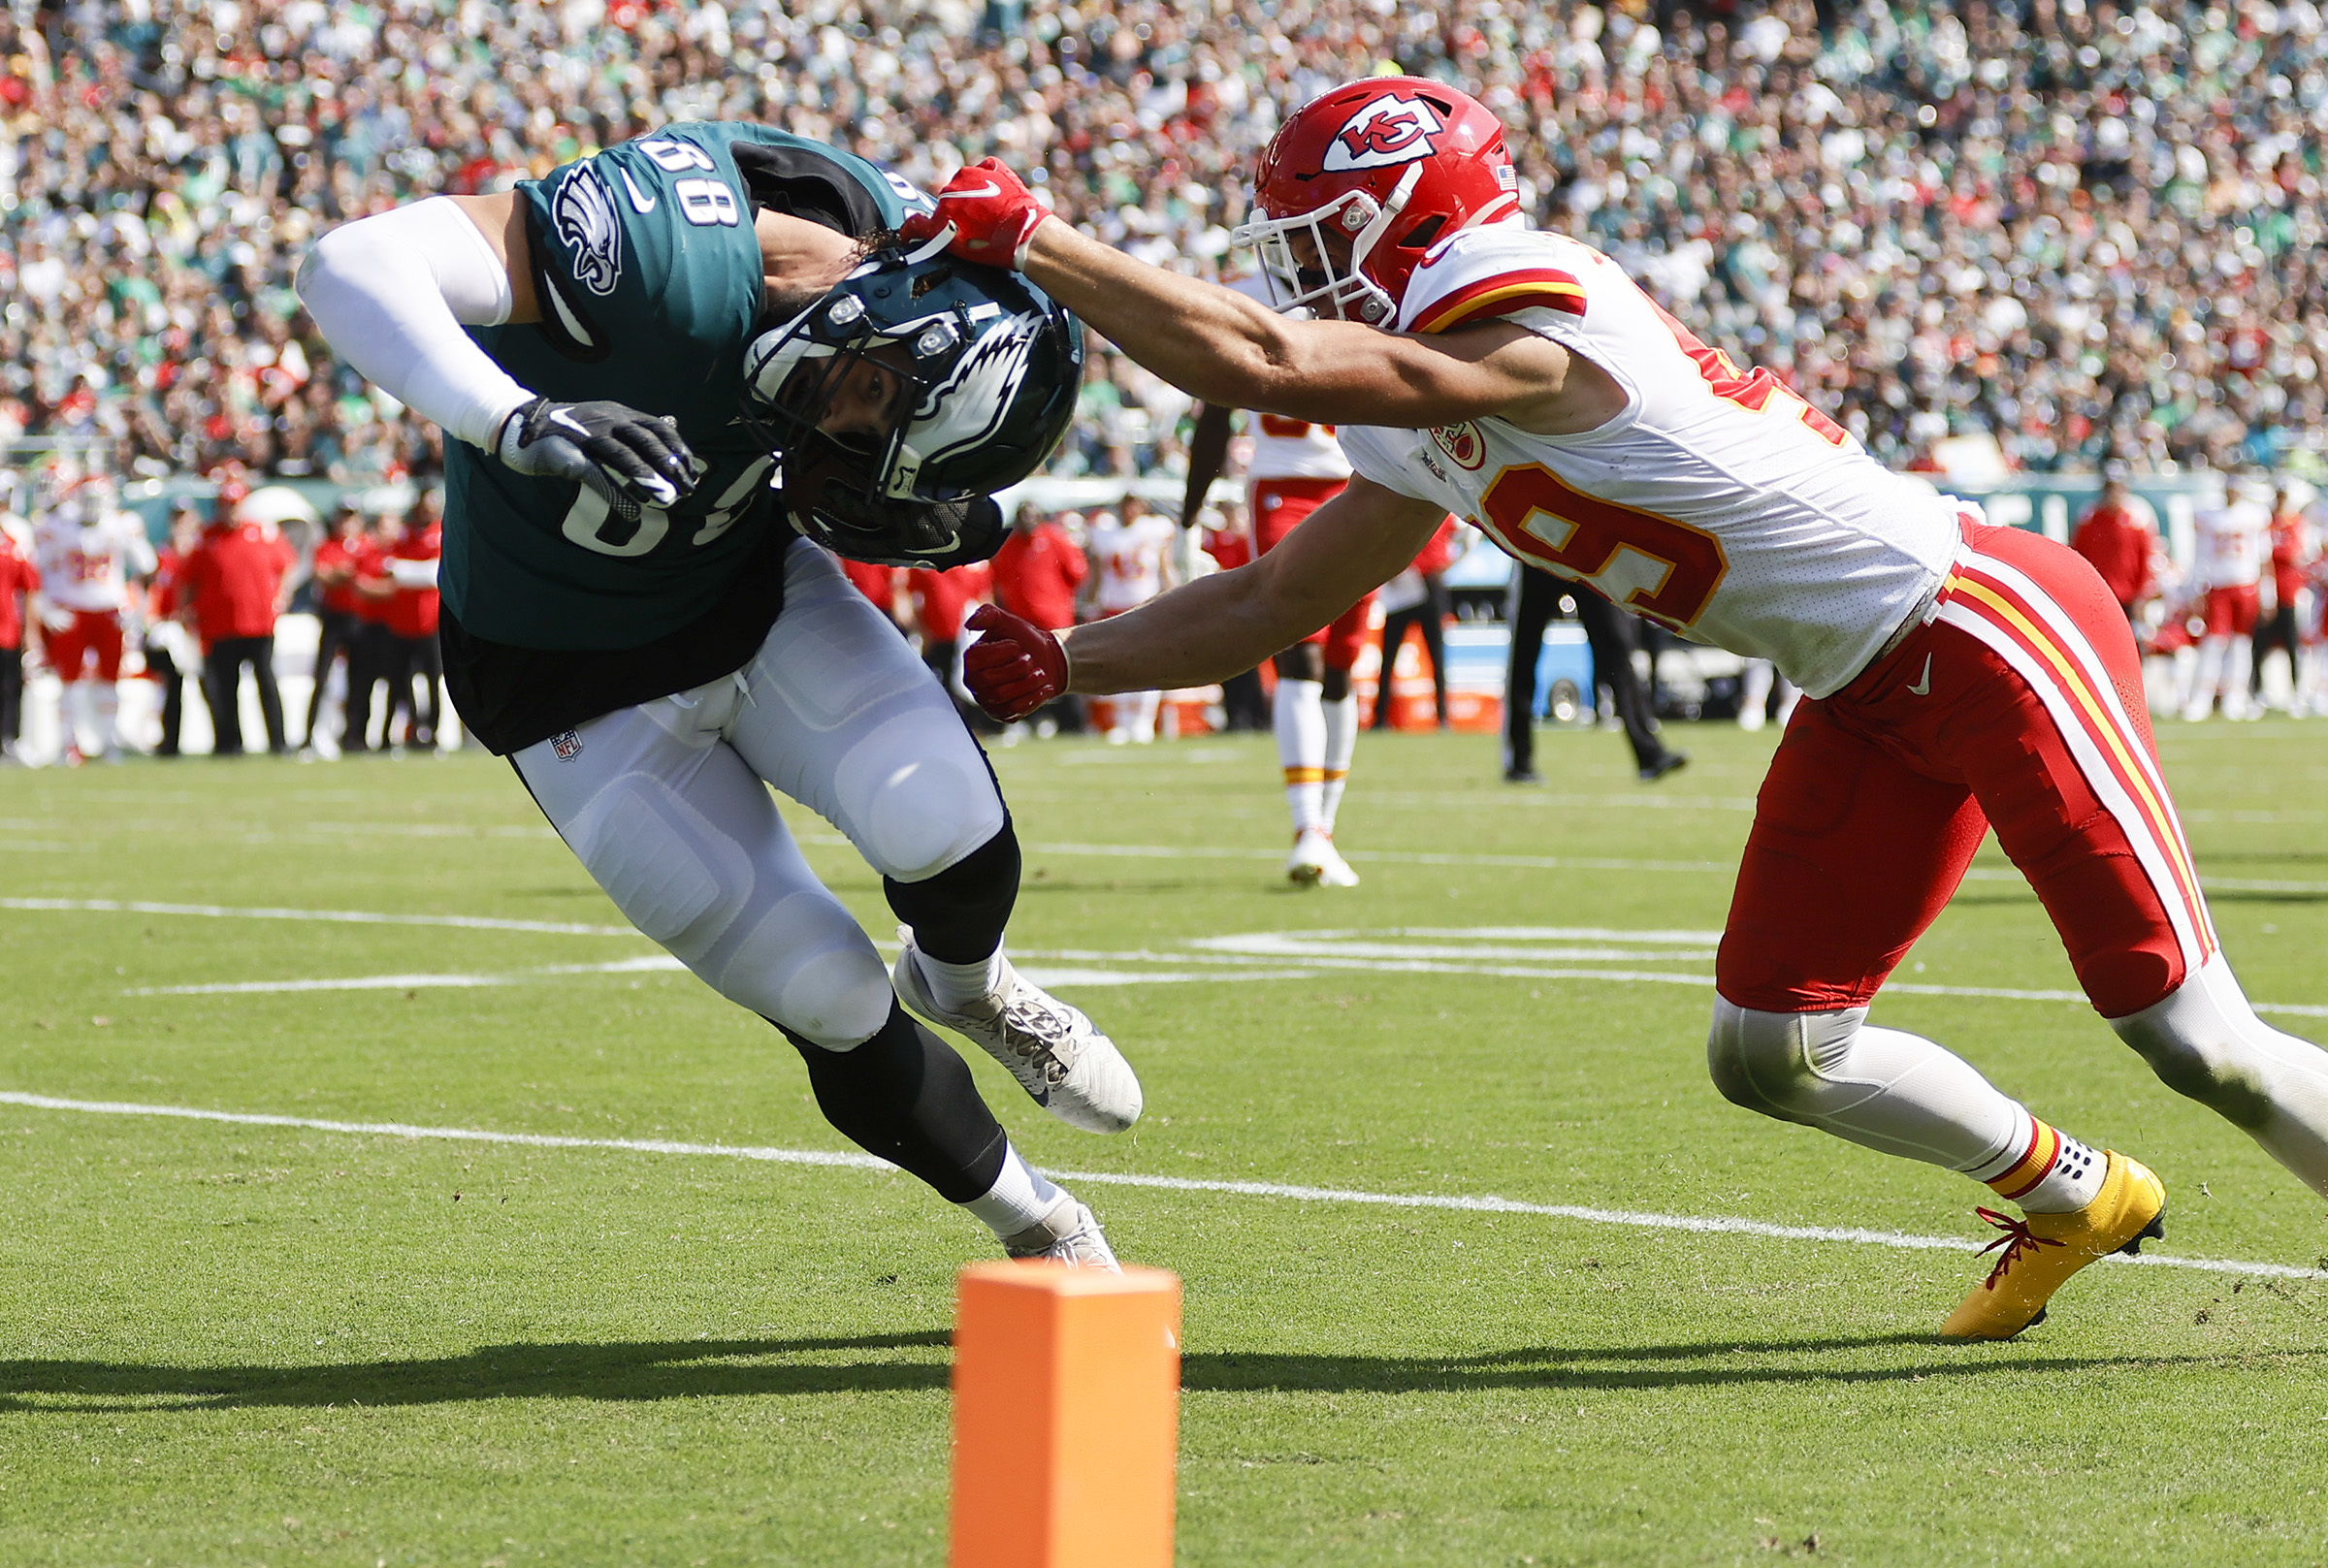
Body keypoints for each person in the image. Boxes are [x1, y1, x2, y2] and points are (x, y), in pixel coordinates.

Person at [923, 81, 2328, 1336]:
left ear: (1423, 218)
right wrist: (1069, 660)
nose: (1304, 271)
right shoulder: (1421, 387)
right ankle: (2077, 1193)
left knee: (2199, 1041)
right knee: (1773, 1048)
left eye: (1326, 233)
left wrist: (1040, 240)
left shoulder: (1530, 300)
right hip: (1856, 689)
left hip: (1980, 625)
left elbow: (1263, 367)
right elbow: (1269, 600)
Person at [295, 118, 1138, 1268]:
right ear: (882, 313)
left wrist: (926, 510)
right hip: (567, 684)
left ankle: (970, 985)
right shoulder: (662, 252)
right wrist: (514, 416)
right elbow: (346, 264)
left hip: (750, 593)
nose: (846, 440)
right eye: (867, 405)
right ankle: (1038, 1221)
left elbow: (869, 478)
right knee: (828, 995)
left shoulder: (897, 279)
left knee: (942, 819)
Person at [1182, 304, 1371, 885]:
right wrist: (1189, 517)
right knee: (1301, 656)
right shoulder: (1255, 303)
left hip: (1362, 487)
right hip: (1284, 490)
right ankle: (1305, 827)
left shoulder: (1369, 303)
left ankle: (1325, 828)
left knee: (1341, 665)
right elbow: (1216, 413)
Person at [1504, 564, 1688, 783]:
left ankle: (1649, 754)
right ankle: (1518, 760)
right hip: (1540, 550)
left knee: (1617, 650)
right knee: (1524, 653)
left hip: (1583, 552)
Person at [31, 469, 155, 763]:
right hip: (71, 610)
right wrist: (47, 608)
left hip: (109, 611)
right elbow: (38, 571)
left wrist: (135, 610)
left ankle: (109, 741)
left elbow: (147, 566)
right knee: (69, 682)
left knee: (111, 681)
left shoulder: (122, 525)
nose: (92, 505)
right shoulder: (57, 526)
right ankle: (68, 744)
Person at [183, 475, 297, 756]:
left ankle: (278, 742)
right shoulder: (207, 537)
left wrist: (282, 596)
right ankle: (229, 743)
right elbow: (188, 579)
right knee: (225, 687)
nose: (230, 511)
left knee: (266, 683)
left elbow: (288, 566)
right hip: (219, 624)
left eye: (234, 505)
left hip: (258, 622)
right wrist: (186, 612)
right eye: (225, 505)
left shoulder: (262, 532)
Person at [1084, 496, 1177, 746]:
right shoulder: (1105, 532)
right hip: (1113, 606)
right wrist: (1091, 602)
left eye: (1134, 505)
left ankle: (1144, 722)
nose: (1130, 510)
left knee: (1150, 666)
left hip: (1146, 605)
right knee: (1116, 666)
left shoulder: (1154, 530)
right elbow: (1098, 572)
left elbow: (1165, 567)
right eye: (1126, 505)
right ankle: (1123, 721)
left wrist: (1173, 598)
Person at [986, 504, 1087, 735]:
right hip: (1023, 621)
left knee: (1064, 670)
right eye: (1023, 516)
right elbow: (999, 581)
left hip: (1055, 619)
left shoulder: (1055, 538)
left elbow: (1077, 574)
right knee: (1025, 673)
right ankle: (1034, 720)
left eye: (1032, 516)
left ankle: (1071, 722)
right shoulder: (1008, 546)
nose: (1028, 521)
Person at [2182, 475, 2272, 722]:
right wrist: (2197, 588)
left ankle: (2236, 697)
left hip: (2246, 586)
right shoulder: (2209, 514)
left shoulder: (2255, 515)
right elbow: (2201, 554)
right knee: (2213, 643)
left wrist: (2268, 594)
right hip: (2219, 586)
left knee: (2241, 644)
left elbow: (2264, 557)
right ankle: (2202, 698)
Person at [1371, 518, 1459, 731]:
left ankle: (1442, 717)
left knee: (1435, 657)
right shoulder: (1436, 507)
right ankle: (1381, 717)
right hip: (1407, 581)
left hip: (1426, 581)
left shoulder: (1429, 509)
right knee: (1391, 655)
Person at [302, 504, 370, 752]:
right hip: (334, 617)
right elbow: (324, 576)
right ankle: (308, 734)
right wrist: (345, 576)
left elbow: (367, 577)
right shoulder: (327, 546)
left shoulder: (366, 545)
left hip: (360, 616)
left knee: (360, 678)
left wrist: (342, 575)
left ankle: (354, 735)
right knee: (321, 676)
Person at [144, 506, 205, 758]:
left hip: (199, 628)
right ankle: (170, 743)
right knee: (171, 685)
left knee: (210, 684)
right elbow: (152, 590)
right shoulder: (162, 554)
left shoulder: (201, 552)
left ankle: (226, 740)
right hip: (170, 628)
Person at [2069, 474, 2154, 624]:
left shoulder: (2135, 523)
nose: (2113, 494)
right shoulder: (2090, 522)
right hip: (2098, 595)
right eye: (2110, 489)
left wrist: (2141, 596)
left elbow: (2145, 560)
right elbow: (2077, 556)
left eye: (2117, 489)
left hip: (2127, 596)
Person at [2253, 487, 2311, 715]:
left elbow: (2292, 554)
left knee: (2291, 644)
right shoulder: (2266, 524)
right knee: (2260, 645)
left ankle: (2298, 692)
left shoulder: (2297, 524)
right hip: (2267, 594)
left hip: (2288, 593)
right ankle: (2257, 692)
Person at [0, 503, 37, 764]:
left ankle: (8, 739)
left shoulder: (12, 543)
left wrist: (31, 632)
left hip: (6, 628)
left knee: (9, 687)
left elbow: (30, 586)